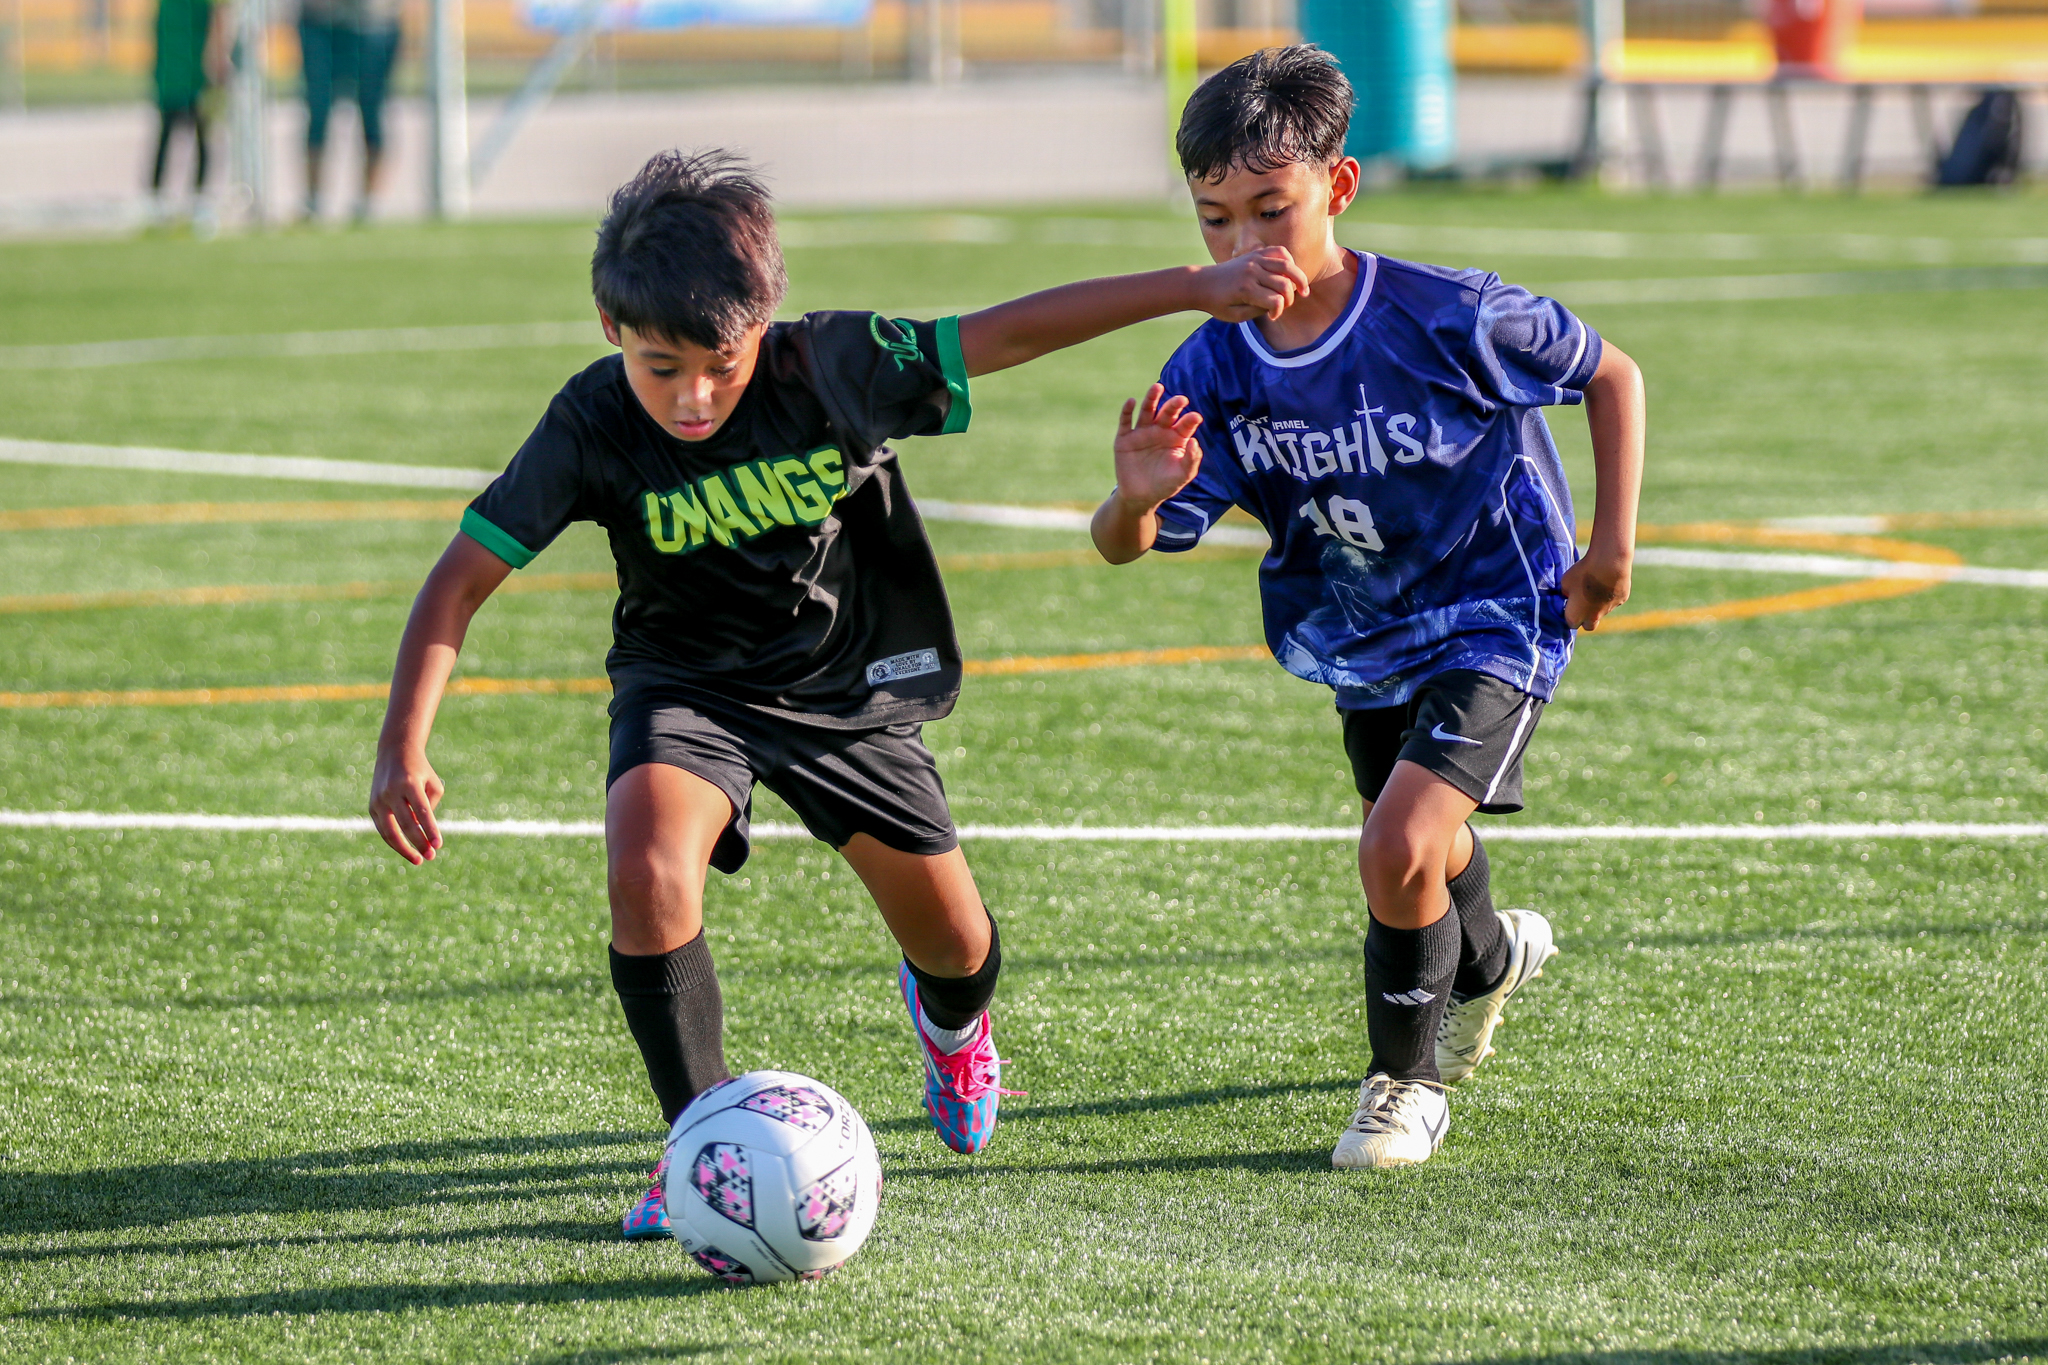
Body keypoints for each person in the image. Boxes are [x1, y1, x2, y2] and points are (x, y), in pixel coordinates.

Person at [368, 150, 1310, 1245]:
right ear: (608, 324)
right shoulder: (587, 422)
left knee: (956, 945)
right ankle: (699, 1153)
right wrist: (404, 741)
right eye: (659, 366)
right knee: (643, 865)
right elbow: (462, 576)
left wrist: (1190, 286)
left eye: (718, 364)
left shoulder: (833, 364)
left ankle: (953, 1029)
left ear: (762, 321)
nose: (693, 396)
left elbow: (998, 333)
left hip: (845, 685)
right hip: (687, 687)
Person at [1090, 46, 1647, 1170]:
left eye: (1269, 210)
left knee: (1394, 843)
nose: (1243, 244)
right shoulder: (1213, 366)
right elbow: (1120, 546)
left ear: (1336, 190)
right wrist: (1133, 499)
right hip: (1358, 637)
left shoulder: (1450, 316)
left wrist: (1608, 552)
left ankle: (1403, 1084)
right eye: (1212, 219)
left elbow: (1610, 373)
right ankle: (1488, 961)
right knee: (1421, 860)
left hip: (1496, 611)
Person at [296, 0, 401, 223]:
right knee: (317, 110)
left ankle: (369, 203)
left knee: (373, 111)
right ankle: (314, 200)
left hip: (373, 20)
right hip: (320, 19)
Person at [149, 0, 229, 223]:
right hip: (174, 70)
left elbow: (217, 21)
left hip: (197, 73)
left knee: (202, 135)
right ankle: (156, 198)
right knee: (167, 133)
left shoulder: (202, 5)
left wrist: (216, 62)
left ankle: (199, 198)